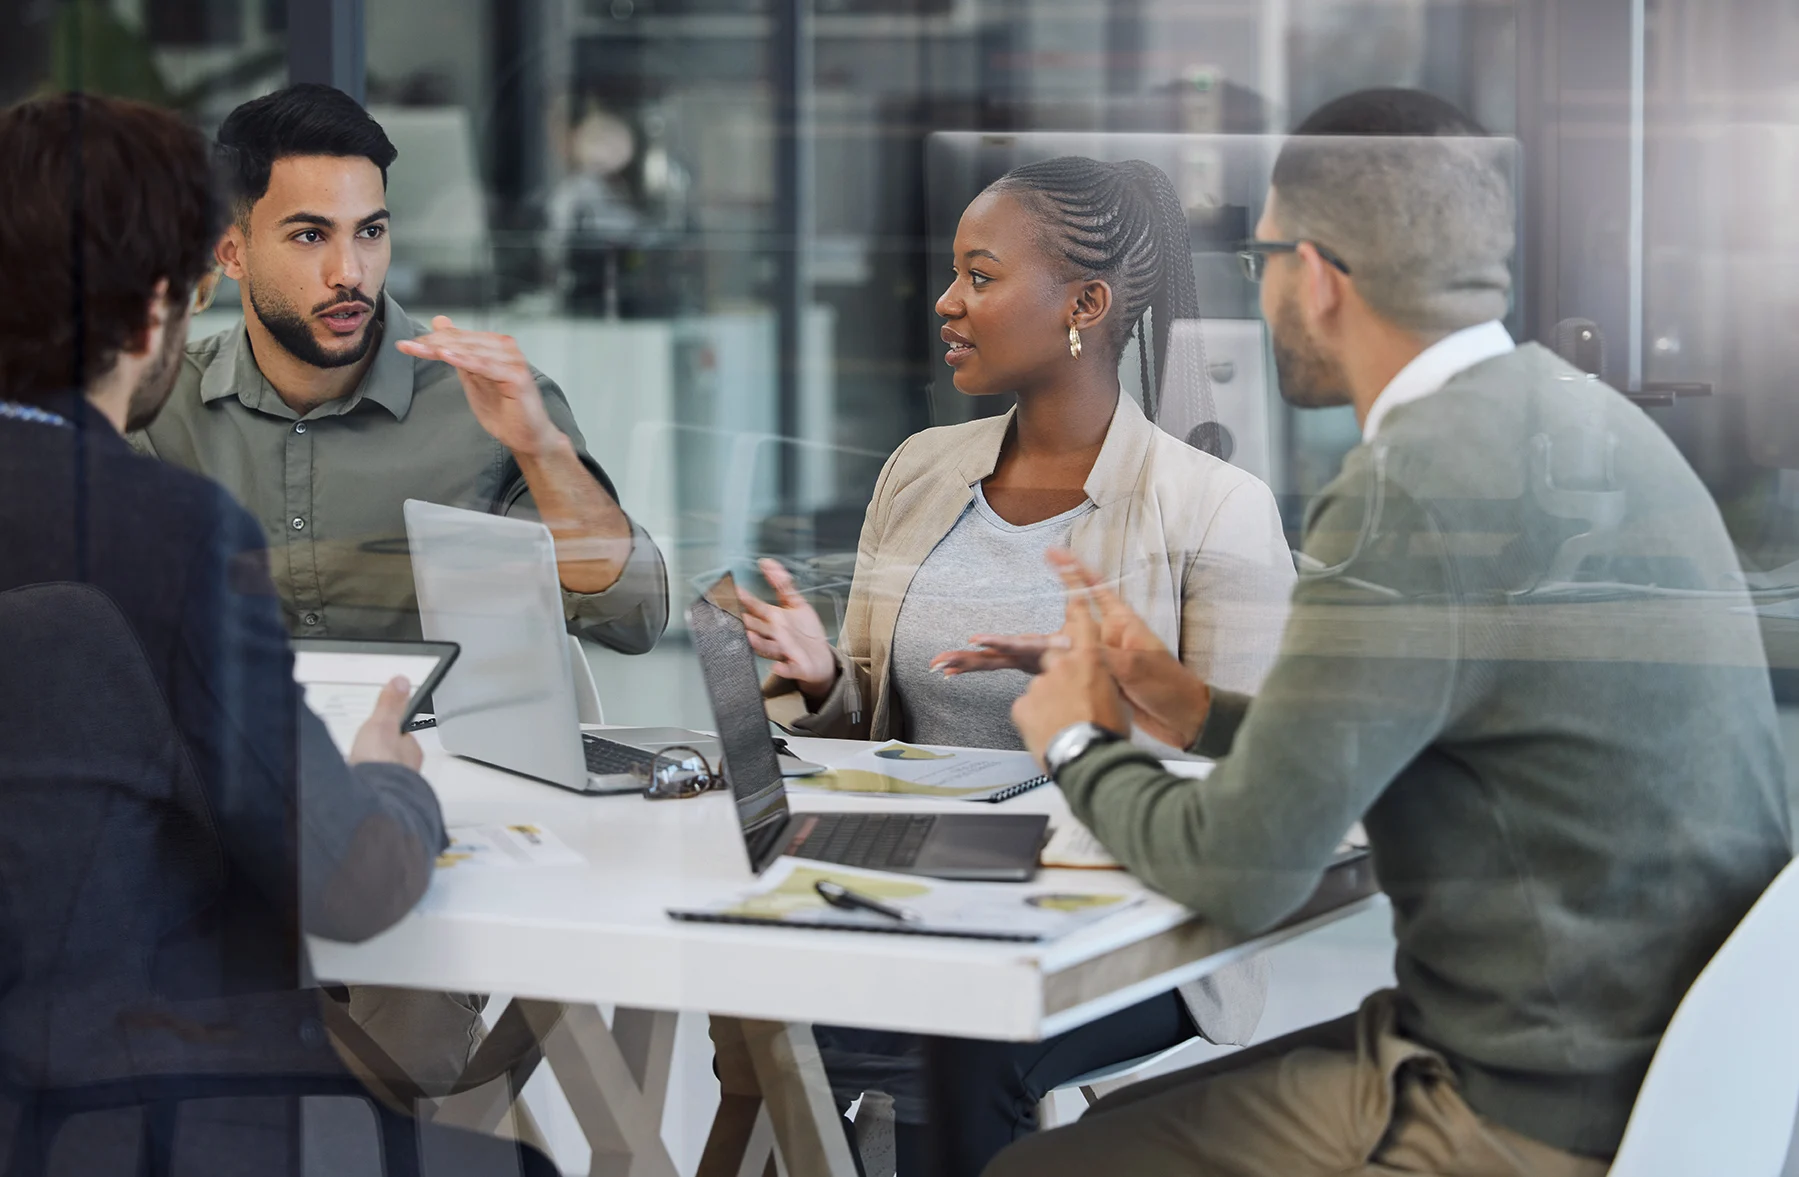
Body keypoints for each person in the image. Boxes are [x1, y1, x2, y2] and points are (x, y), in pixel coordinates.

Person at [992, 88, 1794, 1177]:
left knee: (1040, 1167)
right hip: (1667, 1079)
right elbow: (1446, 712)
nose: (1263, 286)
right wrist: (1190, 707)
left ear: (1314, 275)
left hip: (1522, 1111)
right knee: (1100, 1135)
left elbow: (1239, 870)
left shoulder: (1404, 492)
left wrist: (1073, 741)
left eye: (1263, 258)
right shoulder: (1583, 418)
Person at [0, 91, 554, 1175]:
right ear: (165, 305)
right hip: (144, 1110)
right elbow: (348, 879)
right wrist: (392, 775)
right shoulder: (161, 535)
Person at [743, 156, 1296, 1175]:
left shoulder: (1213, 505)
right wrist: (822, 680)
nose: (947, 303)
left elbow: (1251, 773)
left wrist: (1110, 697)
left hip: (1130, 918)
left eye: (981, 277)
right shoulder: (920, 470)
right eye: (953, 275)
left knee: (966, 1044)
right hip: (917, 893)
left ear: (1083, 303)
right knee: (763, 1015)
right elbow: (879, 730)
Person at [132, 82, 670, 1096]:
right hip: (207, 843)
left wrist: (541, 448)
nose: (350, 272)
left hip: (421, 843)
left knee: (399, 1063)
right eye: (308, 236)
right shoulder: (162, 409)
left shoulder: (477, 403)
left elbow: (635, 614)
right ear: (231, 250)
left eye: (369, 231)